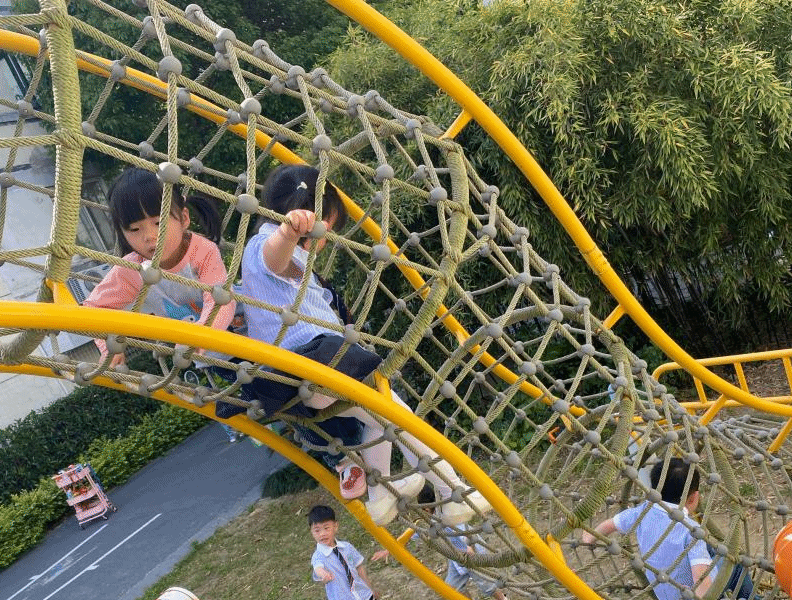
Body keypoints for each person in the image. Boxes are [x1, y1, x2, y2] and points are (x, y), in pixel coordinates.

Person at [240, 164, 491, 526]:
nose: (326, 239)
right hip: (315, 364)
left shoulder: (294, 260)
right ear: (309, 216)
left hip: (310, 378)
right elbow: (273, 259)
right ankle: (453, 492)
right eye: (327, 227)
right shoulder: (264, 244)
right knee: (400, 417)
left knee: (380, 421)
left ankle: (380, 496)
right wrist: (289, 231)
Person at [581, 458, 758, 600]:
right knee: (735, 564)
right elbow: (701, 577)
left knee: (709, 550)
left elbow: (610, 524)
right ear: (694, 497)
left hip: (665, 595)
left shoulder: (642, 511)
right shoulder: (690, 529)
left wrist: (589, 537)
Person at [83, 167, 237, 365]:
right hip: (205, 356)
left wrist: (202, 333)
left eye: (158, 223)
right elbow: (94, 309)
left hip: (241, 332)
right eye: (135, 229)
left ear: (184, 219)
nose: (149, 236)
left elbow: (221, 299)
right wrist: (108, 345)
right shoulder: (133, 269)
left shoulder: (202, 251)